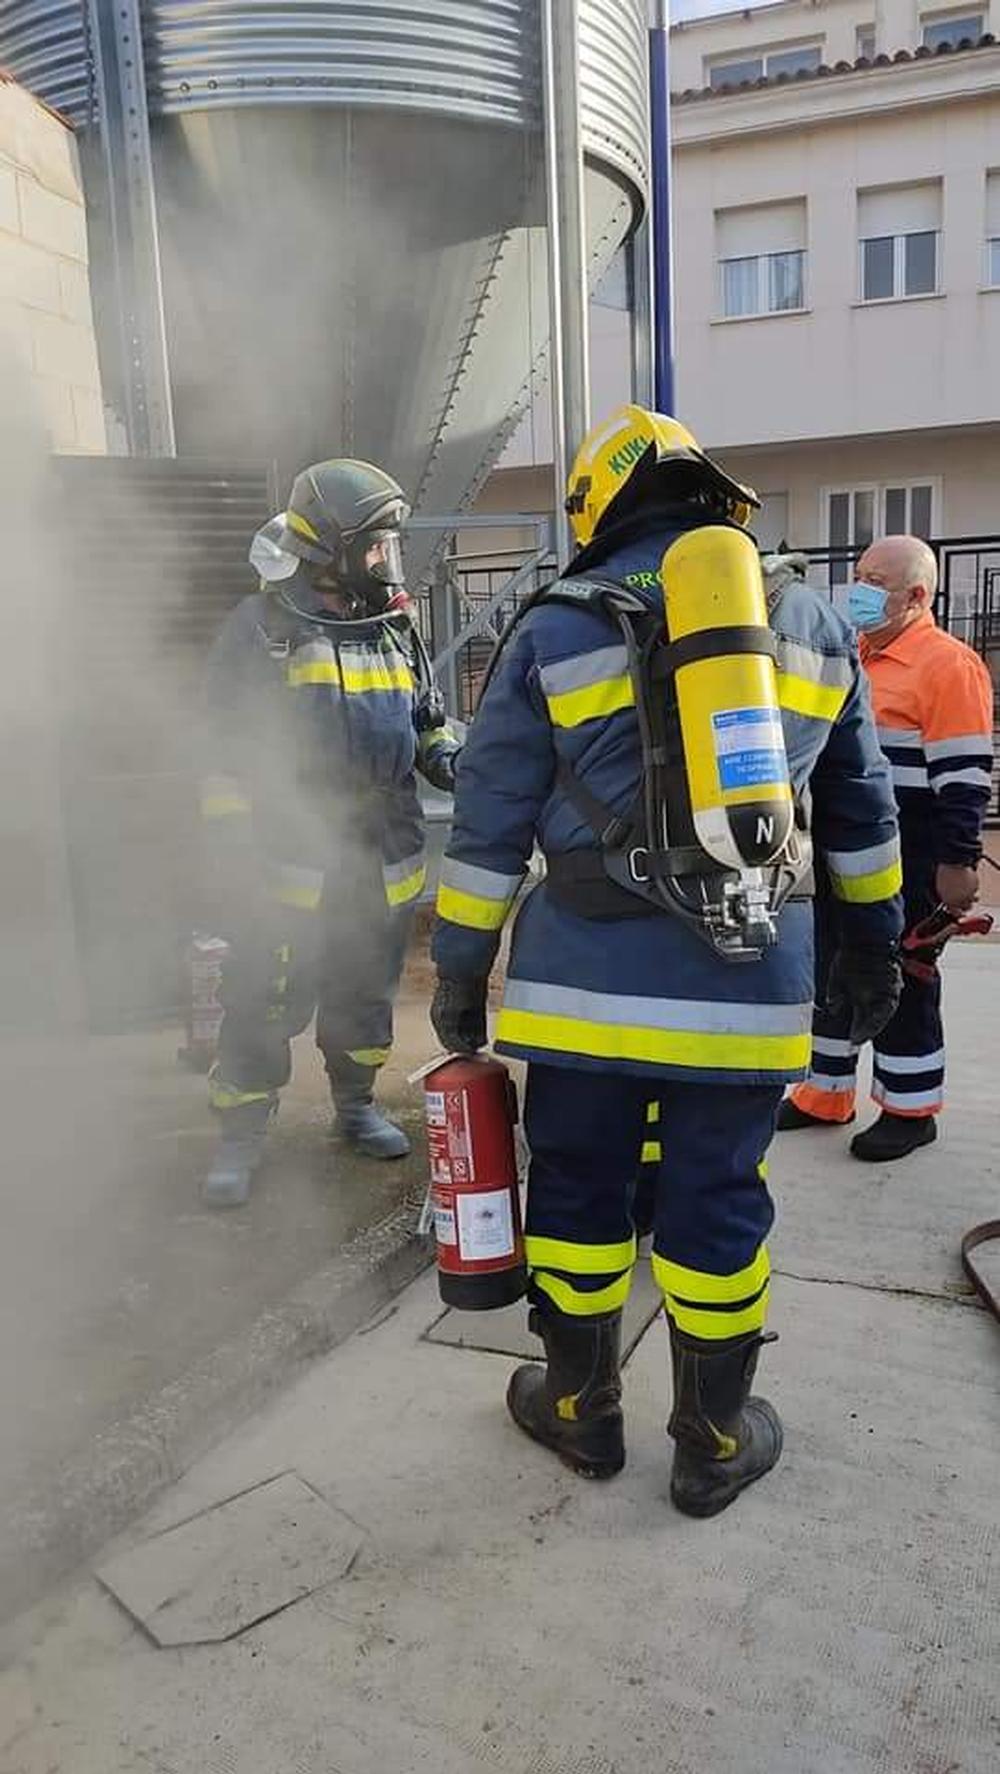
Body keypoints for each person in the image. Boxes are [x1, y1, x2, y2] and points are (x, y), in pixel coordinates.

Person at [429, 406, 903, 1517]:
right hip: (745, 993)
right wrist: (873, 949)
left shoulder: (551, 627)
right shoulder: (813, 622)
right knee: (718, 1203)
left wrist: (460, 969)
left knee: (581, 1193)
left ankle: (580, 1411)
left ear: (602, 503)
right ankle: (715, 1438)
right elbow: (859, 813)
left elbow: (488, 822)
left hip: (579, 995)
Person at [200, 458, 461, 1207]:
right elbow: (221, 751)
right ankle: (242, 1131)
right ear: (334, 549)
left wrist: (454, 766)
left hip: (381, 847)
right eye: (377, 546)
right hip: (288, 851)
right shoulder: (262, 628)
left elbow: (427, 721)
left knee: (364, 988)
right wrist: (231, 855)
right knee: (263, 992)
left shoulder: (393, 623)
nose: (388, 560)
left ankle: (354, 1106)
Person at [778, 535, 994, 1162]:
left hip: (914, 851)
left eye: (876, 580)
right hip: (838, 845)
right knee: (832, 969)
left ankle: (910, 1105)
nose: (859, 590)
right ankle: (826, 1093)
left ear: (917, 595)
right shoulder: (850, 655)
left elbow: (964, 778)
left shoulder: (948, 665)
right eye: (858, 575)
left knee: (903, 977)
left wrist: (956, 864)